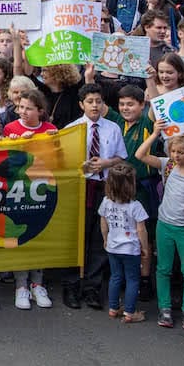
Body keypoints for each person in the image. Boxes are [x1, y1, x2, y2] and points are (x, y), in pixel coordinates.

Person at [134, 130, 184, 330]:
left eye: (180, 152)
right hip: (165, 225)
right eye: (173, 151)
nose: (175, 155)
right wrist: (155, 133)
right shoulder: (168, 165)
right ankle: (164, 309)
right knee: (163, 269)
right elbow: (140, 155)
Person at [65, 82, 128, 311]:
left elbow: (121, 157)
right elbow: (65, 163)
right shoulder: (72, 129)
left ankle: (92, 287)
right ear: (81, 104)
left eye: (98, 102)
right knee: (77, 237)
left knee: (99, 237)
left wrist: (106, 163)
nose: (94, 106)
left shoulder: (112, 128)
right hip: (81, 187)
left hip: (105, 186)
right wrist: (81, 166)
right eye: (90, 102)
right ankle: (72, 285)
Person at [99, 161, 150, 324]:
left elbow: (103, 222)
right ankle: (130, 312)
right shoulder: (135, 206)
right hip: (130, 249)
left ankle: (113, 308)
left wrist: (105, 239)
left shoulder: (106, 202)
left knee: (115, 277)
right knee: (132, 279)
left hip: (113, 247)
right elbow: (141, 229)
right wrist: (145, 247)